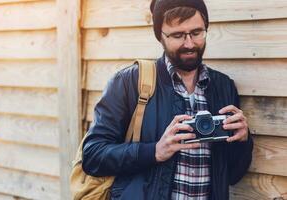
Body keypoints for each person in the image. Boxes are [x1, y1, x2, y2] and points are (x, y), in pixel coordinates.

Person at [82, 0, 253, 199]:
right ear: (160, 36)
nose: (189, 44)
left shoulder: (223, 87)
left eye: (197, 33)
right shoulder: (130, 82)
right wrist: (154, 151)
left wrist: (243, 140)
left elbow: (232, 175)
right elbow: (92, 156)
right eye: (178, 35)